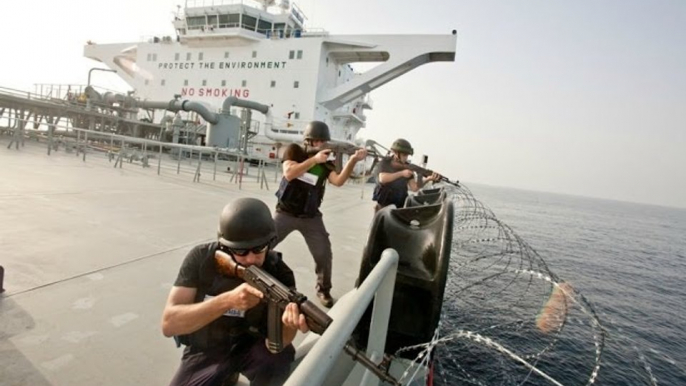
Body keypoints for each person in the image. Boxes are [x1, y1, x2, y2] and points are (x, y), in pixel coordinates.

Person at [161, 198, 309, 386]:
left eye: (258, 249)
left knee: (278, 360)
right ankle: (226, 377)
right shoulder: (201, 259)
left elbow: (278, 346)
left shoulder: (280, 273)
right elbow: (169, 324)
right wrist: (227, 301)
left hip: (252, 348)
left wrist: (290, 326)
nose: (250, 259)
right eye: (241, 252)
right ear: (225, 246)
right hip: (207, 351)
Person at [273, 120, 367, 308]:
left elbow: (338, 181)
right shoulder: (294, 151)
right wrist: (314, 160)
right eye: (315, 141)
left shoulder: (326, 163)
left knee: (323, 253)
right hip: (286, 212)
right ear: (307, 141)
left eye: (322, 142)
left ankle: (323, 289)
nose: (319, 145)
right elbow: (289, 173)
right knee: (262, 243)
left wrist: (353, 160)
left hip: (311, 216)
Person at [372, 138, 441, 212]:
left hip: (399, 206)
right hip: (383, 205)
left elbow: (415, 188)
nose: (406, 158)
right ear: (396, 153)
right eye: (404, 155)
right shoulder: (385, 162)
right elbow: (382, 178)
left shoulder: (407, 167)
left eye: (407, 155)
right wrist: (402, 173)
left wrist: (428, 179)